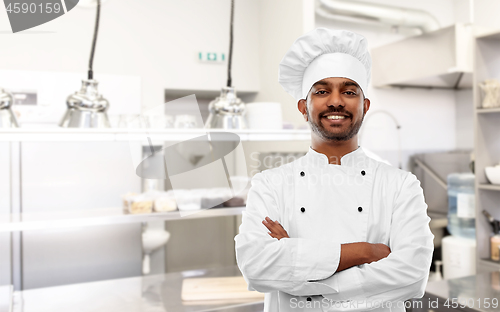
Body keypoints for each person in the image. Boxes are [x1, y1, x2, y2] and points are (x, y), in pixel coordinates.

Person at [234, 28, 434, 312]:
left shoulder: (401, 185)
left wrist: (300, 270)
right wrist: (365, 252)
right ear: (304, 107)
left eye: (349, 91)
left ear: (364, 106)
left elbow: (412, 275)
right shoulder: (270, 184)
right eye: (322, 91)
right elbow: (256, 266)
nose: (336, 101)